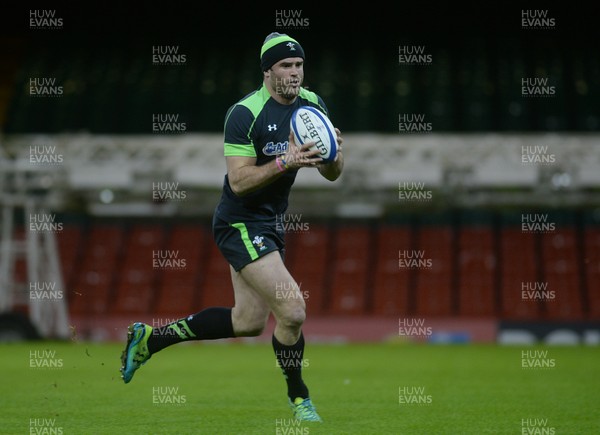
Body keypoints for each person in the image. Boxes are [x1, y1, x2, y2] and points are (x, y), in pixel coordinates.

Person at [120, 32, 344, 423]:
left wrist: (333, 153)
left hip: (271, 222)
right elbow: (239, 182)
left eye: (299, 65)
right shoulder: (244, 113)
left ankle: (150, 339)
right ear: (267, 71)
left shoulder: (312, 105)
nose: (295, 73)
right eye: (286, 66)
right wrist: (284, 163)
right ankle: (300, 399)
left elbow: (332, 175)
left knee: (248, 322)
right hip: (238, 220)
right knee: (292, 311)